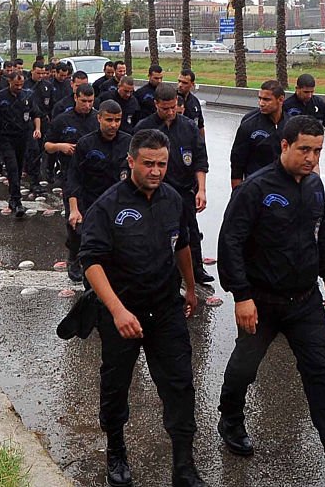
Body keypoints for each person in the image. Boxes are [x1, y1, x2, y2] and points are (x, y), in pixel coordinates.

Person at [217, 115, 325, 487]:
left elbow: (320, 231)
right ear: (285, 146)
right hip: (262, 301)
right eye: (304, 149)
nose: (311, 157)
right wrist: (241, 296)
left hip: (304, 302)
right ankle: (230, 417)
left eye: (317, 150)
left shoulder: (316, 185)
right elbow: (230, 244)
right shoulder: (255, 189)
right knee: (245, 367)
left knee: (321, 376)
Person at [78, 129, 205, 487]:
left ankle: (184, 464)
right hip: (122, 313)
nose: (156, 170)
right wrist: (117, 311)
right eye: (148, 163)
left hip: (165, 308)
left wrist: (191, 288)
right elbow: (91, 261)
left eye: (162, 164)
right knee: (116, 385)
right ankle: (116, 450)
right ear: (131, 161)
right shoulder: (108, 205)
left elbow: (182, 244)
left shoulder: (173, 199)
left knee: (180, 385)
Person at [135, 84, 212, 285]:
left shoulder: (188, 127)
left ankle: (196, 270)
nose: (170, 112)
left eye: (173, 107)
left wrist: (201, 190)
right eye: (165, 108)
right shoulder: (144, 128)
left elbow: (200, 159)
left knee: (190, 232)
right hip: (154, 193)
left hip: (184, 190)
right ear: (156, 104)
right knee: (156, 234)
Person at [65, 99, 131, 277]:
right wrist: (74, 208)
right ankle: (74, 259)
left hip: (117, 200)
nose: (114, 125)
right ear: (99, 118)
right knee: (80, 234)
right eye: (109, 120)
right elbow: (73, 177)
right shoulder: (86, 144)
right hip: (90, 199)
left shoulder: (128, 143)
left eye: (117, 120)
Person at [45, 84, 98, 280]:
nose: (87, 105)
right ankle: (74, 257)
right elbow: (48, 146)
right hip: (70, 176)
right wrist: (61, 146)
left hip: (95, 176)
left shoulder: (98, 119)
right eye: (83, 101)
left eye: (91, 102)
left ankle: (93, 259)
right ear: (76, 97)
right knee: (75, 220)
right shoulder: (63, 120)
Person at [0, 71, 42, 217]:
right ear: (9, 82)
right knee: (12, 168)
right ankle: (17, 200)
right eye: (16, 85)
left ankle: (13, 197)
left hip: (23, 137)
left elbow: (36, 115)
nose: (19, 87)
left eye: (21, 85)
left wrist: (38, 129)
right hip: (6, 138)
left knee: (19, 168)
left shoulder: (27, 96)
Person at [229, 80, 285, 189]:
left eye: (266, 99)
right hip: (255, 188)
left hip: (282, 188)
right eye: (260, 98)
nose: (261, 103)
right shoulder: (248, 124)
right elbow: (237, 164)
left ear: (281, 99)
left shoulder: (290, 124)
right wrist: (236, 194)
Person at [283, 74, 325, 159]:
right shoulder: (287, 106)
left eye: (312, 92)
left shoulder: (318, 103)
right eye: (306, 92)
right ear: (297, 89)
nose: (309, 95)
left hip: (313, 152)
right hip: (294, 153)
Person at [176, 68, 205, 135]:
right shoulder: (170, 99)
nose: (180, 85)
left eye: (184, 83)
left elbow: (200, 126)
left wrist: (202, 144)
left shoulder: (195, 102)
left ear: (192, 84)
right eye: (179, 81)